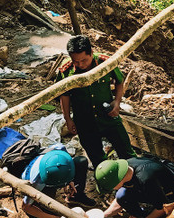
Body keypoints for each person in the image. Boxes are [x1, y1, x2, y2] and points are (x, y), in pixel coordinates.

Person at [57, 35, 135, 177]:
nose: (80, 64)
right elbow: (64, 96)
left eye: (84, 60)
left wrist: (117, 102)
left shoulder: (105, 62)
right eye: (76, 61)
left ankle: (135, 180)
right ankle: (106, 184)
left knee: (127, 152)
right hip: (85, 121)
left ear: (91, 53)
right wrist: (68, 118)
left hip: (108, 116)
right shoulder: (66, 70)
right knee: (98, 159)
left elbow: (119, 81)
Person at [96, 157, 174, 218]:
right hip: (150, 190)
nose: (112, 189)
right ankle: (141, 217)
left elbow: (164, 207)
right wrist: (104, 215)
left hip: (170, 196)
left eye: (112, 187)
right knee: (121, 196)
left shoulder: (146, 180)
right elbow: (119, 200)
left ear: (118, 180)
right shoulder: (125, 170)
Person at [3, 142, 78, 218]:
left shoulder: (59, 149)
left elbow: (63, 163)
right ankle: (40, 211)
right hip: (30, 180)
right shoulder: (36, 181)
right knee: (46, 215)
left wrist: (69, 181)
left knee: (80, 162)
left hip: (40, 165)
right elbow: (25, 206)